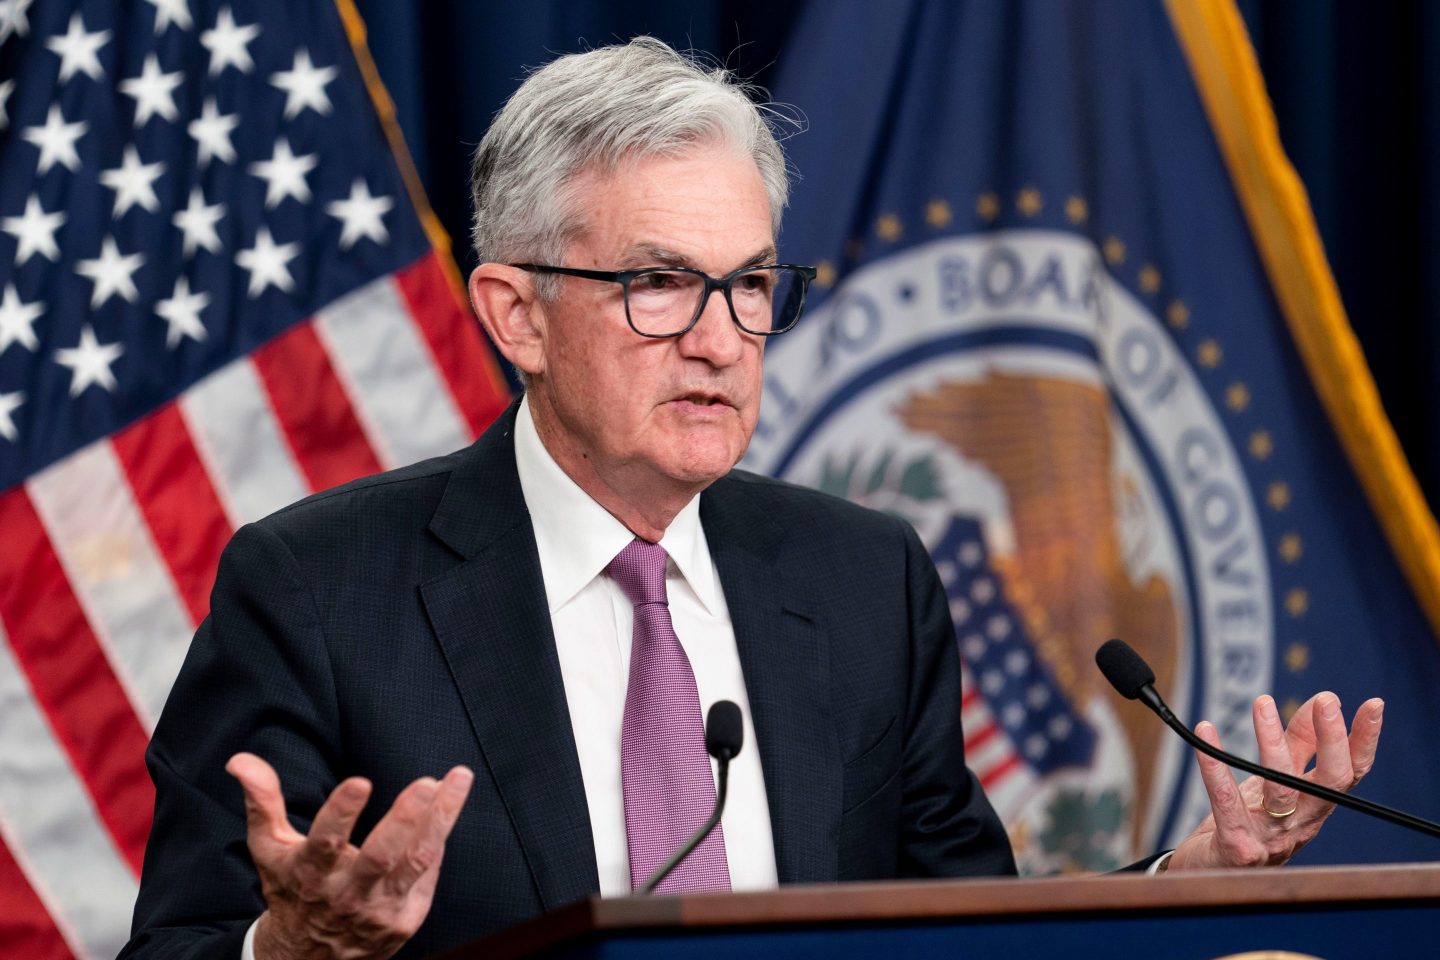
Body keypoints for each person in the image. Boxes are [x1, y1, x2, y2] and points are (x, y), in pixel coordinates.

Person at [120, 37, 1385, 960]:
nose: (723, 339)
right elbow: (176, 950)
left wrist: (1193, 880)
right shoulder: (321, 588)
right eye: (661, 284)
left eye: (752, 285)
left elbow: (974, 939)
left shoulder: (862, 579)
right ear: (518, 316)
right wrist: (292, 952)